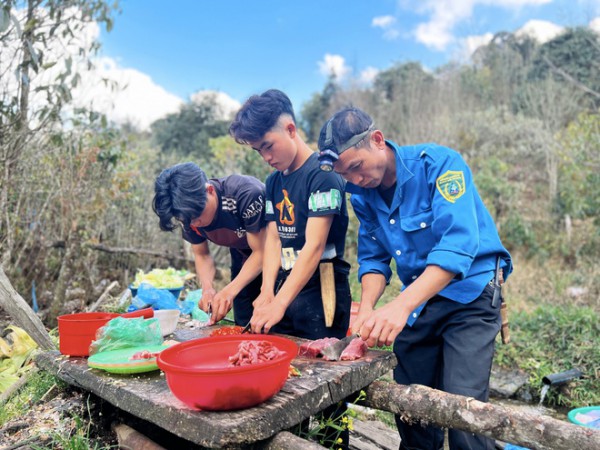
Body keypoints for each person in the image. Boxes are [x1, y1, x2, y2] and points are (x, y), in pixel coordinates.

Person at [317, 107, 513, 450]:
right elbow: (374, 258)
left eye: (356, 167)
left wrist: (400, 306)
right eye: (345, 175)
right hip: (421, 303)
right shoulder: (363, 195)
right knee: (411, 406)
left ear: (377, 140)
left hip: (470, 295)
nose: (355, 180)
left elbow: (457, 246)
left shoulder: (439, 165)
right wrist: (367, 312)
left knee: (464, 411)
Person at [230, 89, 351, 448]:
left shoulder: (323, 177)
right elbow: (273, 240)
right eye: (258, 151)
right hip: (284, 288)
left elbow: (313, 248)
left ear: (291, 128)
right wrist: (267, 292)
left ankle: (332, 444)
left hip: (323, 292)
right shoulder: (273, 183)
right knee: (285, 380)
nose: (266, 157)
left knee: (328, 388)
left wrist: (278, 302)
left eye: (268, 145)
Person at [153, 162, 266, 326]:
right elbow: (201, 254)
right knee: (243, 318)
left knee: (275, 319)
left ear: (210, 191)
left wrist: (228, 290)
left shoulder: (246, 195)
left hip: (278, 252)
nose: (195, 224)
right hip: (242, 254)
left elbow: (262, 252)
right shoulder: (188, 216)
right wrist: (207, 289)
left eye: (197, 216)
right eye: (187, 220)